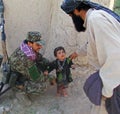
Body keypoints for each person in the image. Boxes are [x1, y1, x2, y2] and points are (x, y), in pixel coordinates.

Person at [61, 0, 120, 114]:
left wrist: (106, 91)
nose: (73, 19)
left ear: (77, 10)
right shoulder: (95, 17)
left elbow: (116, 55)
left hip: (115, 82)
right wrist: (77, 53)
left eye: (71, 15)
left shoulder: (96, 19)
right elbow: (94, 42)